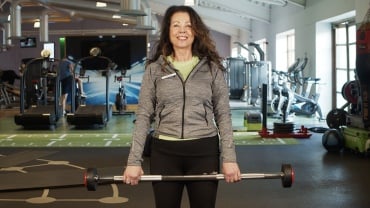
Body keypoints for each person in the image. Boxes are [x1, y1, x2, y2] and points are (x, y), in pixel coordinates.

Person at [123, 5, 241, 208]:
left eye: (188, 25)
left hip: (204, 151)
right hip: (165, 153)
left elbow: (223, 114)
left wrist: (229, 157)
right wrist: (134, 161)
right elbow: (143, 116)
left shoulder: (212, 69)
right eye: (176, 25)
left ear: (196, 31)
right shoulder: (154, 70)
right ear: (168, 32)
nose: (182, 30)